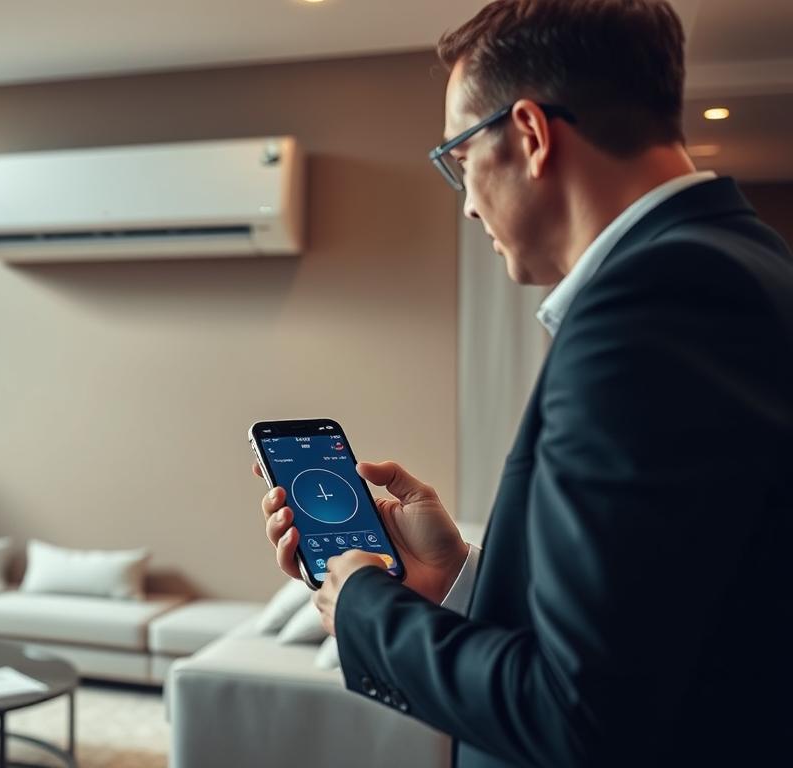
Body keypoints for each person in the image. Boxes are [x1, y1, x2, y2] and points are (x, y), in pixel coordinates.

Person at [256, 1, 793, 766]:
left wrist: (361, 605)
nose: (468, 201)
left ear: (532, 135)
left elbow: (582, 718)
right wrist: (457, 576)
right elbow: (668, 622)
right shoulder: (744, 261)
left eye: (458, 158)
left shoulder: (653, 306)